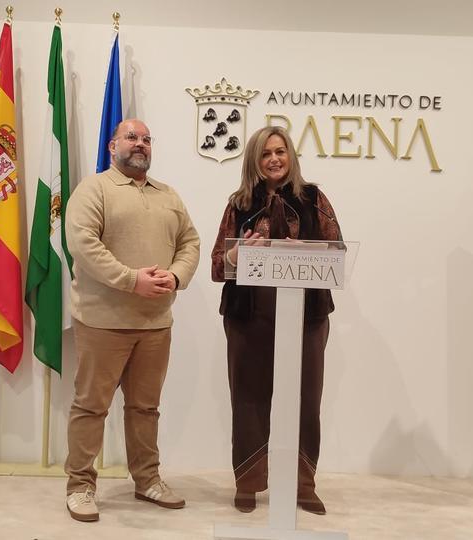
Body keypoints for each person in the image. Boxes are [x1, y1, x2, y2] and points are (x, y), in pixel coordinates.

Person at [63, 119, 201, 523]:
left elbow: (190, 242)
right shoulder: (93, 189)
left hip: (155, 324)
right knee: (91, 407)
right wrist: (131, 280)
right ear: (112, 146)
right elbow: (83, 244)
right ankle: (80, 486)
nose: (140, 144)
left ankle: (147, 480)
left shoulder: (168, 195)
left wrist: (176, 276)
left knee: (145, 408)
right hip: (102, 322)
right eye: (131, 137)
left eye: (146, 139)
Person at [209, 125, 342, 515]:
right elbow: (217, 265)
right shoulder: (238, 204)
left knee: (307, 400)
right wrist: (237, 255)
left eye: (280, 151)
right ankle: (248, 482)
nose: (273, 159)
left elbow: (337, 252)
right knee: (248, 398)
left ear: (290, 156)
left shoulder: (314, 199)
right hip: (249, 315)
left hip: (307, 316)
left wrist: (306, 251)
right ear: (255, 159)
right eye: (265, 153)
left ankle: (303, 485)